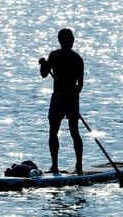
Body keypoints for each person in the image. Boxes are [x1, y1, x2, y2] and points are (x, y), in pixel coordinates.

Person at [39, 28, 84, 175]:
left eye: (71, 39)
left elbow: (80, 85)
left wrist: (73, 94)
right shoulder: (54, 56)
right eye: (68, 40)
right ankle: (55, 166)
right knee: (53, 131)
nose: (70, 42)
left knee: (74, 132)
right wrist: (44, 64)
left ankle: (78, 166)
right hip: (57, 97)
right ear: (61, 41)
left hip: (70, 98)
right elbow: (44, 74)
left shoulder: (77, 59)